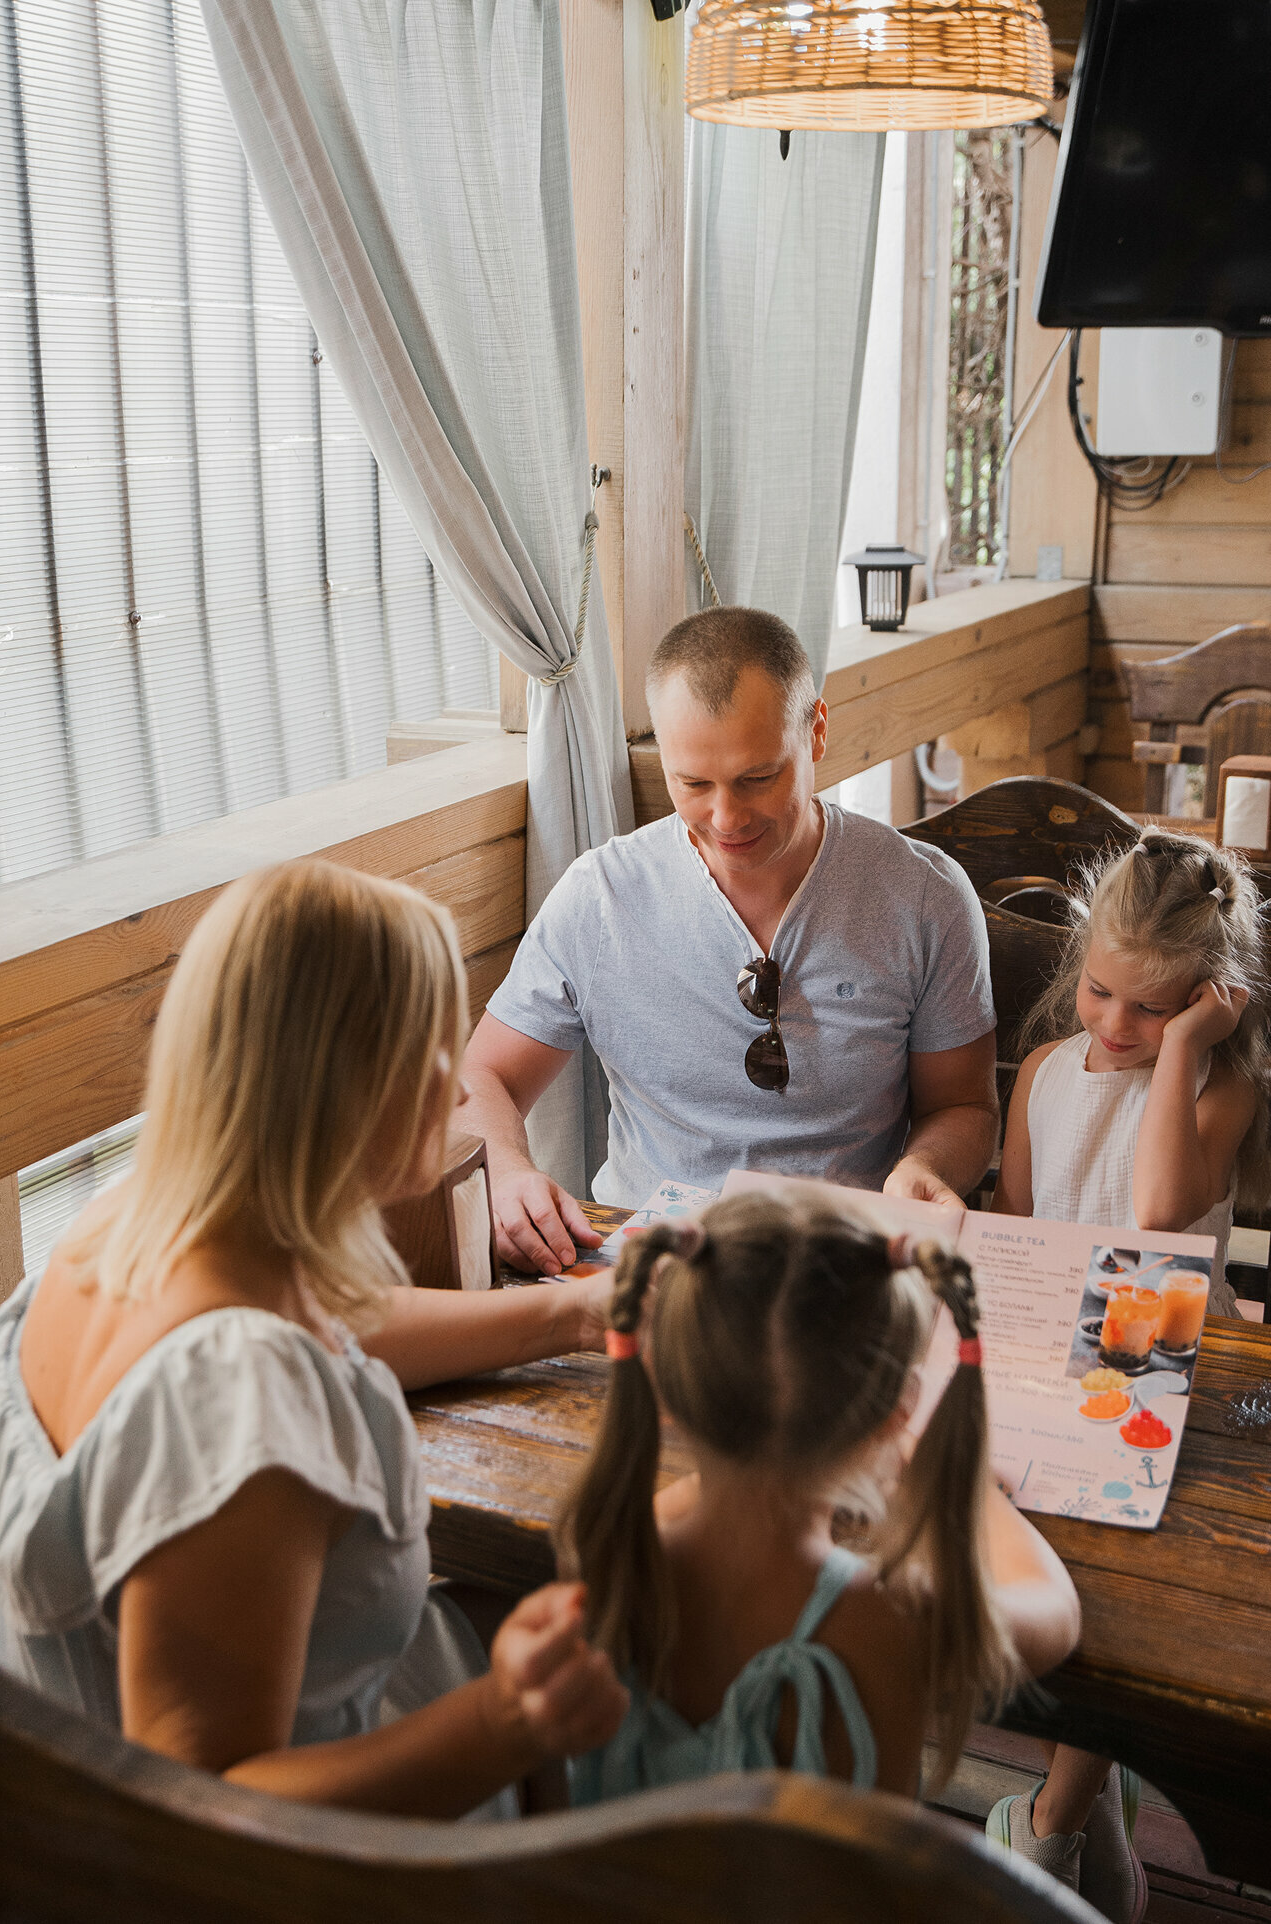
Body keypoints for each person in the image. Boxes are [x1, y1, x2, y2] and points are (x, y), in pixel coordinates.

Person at [0, 860, 626, 1816]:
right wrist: (507, 1722)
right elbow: (211, 1808)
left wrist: (575, 1312)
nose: (462, 1094)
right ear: (346, 1083)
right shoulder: (236, 1394)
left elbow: (340, 1323)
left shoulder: (127, 1224)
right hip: (309, 1857)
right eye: (432, 1051)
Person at [463, 607, 999, 1276]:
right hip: (649, 1264)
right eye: (693, 784)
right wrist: (508, 1170)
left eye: (757, 778)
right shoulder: (600, 896)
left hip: (846, 1264)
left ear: (817, 732)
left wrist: (926, 1167)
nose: (726, 818)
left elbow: (963, 1105)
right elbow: (485, 1075)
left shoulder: (923, 895)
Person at [553, 1192, 1081, 1806]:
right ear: (897, 1415)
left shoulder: (608, 1562)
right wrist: (978, 1494)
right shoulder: (895, 1618)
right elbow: (1056, 1614)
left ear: (660, 1387)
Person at [987, 827, 1270, 1919]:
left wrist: (1188, 1046)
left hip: (1168, 1349)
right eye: (1099, 990)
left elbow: (1156, 1218)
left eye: (1151, 1008)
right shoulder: (1045, 1073)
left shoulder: (1216, 1087)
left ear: (1209, 1000)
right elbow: (1019, 1220)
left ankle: (1048, 1830)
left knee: (1119, 1588)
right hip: (1058, 1354)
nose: (1112, 1025)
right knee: (1046, 1568)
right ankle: (1087, 1835)